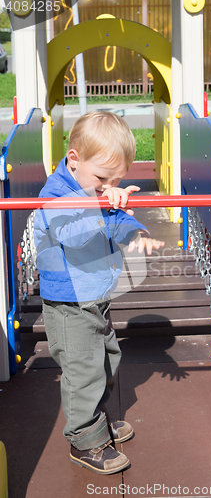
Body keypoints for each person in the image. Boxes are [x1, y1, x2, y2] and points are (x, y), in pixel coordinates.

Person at [34, 111, 164, 475]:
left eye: (117, 180)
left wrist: (136, 233)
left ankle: (94, 419)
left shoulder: (96, 188)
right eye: (103, 178)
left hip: (95, 297)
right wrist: (100, 199)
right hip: (68, 304)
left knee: (108, 359)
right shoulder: (57, 192)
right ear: (74, 159)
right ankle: (84, 441)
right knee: (83, 371)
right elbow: (73, 235)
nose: (110, 186)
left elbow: (117, 218)